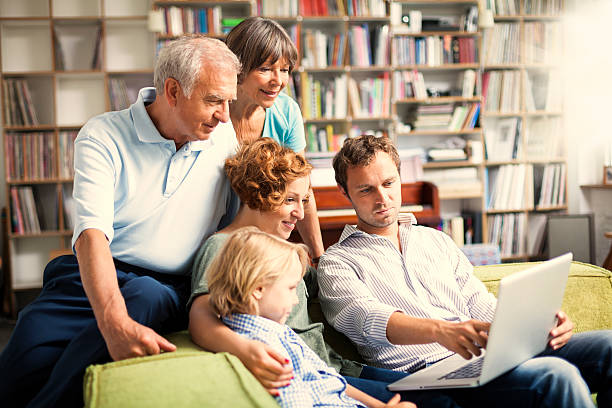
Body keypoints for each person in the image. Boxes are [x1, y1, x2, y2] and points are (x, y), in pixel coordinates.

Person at [0, 36, 241, 408]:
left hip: (167, 286)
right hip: (94, 274)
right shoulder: (103, 135)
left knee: (146, 295)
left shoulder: (223, 137)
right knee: (23, 355)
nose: (225, 115)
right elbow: (91, 235)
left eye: (229, 101)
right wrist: (112, 322)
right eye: (213, 101)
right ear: (172, 92)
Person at [317, 134, 612, 408]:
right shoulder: (338, 262)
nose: (382, 198)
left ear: (400, 177)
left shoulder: (435, 240)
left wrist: (538, 324)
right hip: (425, 376)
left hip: (487, 359)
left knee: (609, 345)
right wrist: (441, 331)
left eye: (389, 183)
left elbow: (477, 303)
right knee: (554, 375)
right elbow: (368, 320)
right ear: (345, 192)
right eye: (366, 189)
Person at [190, 138, 456, 406]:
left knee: (447, 392)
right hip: (317, 375)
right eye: (289, 200)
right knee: (437, 402)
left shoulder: (282, 253)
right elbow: (200, 316)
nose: (300, 213)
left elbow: (335, 286)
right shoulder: (225, 246)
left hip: (339, 368)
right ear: (258, 194)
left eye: (303, 200)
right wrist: (247, 351)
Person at [206, 227, 416, 408]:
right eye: (290, 289)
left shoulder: (276, 332)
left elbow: (330, 380)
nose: (295, 300)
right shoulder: (266, 348)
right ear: (258, 289)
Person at [225, 16, 325, 261]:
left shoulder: (287, 111)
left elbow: (303, 188)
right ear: (238, 67)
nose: (278, 81)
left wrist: (319, 257)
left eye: (284, 70)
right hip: (219, 238)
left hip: (265, 242)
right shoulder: (213, 113)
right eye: (265, 69)